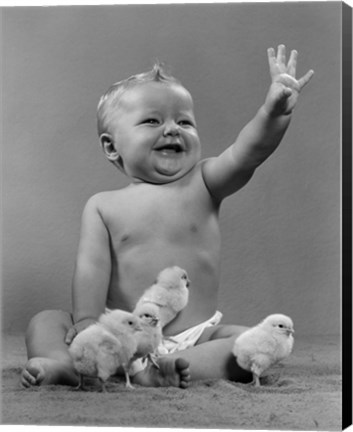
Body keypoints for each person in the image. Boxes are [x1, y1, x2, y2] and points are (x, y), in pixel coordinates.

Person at [21, 45, 313, 388]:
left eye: (185, 121)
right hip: (122, 334)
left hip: (197, 335)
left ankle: (166, 370)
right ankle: (67, 366)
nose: (173, 129)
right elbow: (91, 268)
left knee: (249, 340)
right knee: (45, 322)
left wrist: (274, 112)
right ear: (112, 146)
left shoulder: (204, 183)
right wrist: (86, 320)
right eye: (152, 120)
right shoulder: (102, 206)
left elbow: (248, 154)